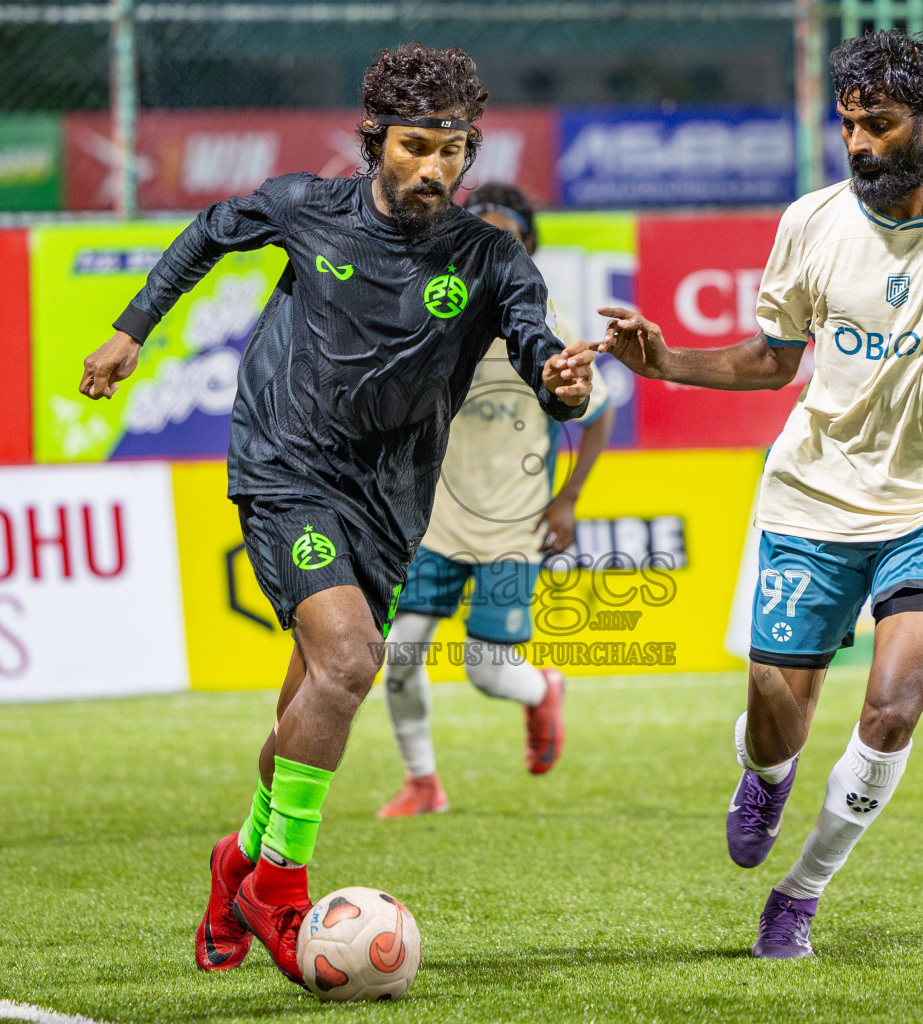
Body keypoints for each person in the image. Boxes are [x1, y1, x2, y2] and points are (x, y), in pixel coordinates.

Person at [78, 43, 594, 986]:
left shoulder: (490, 257)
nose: (434, 168)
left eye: (452, 150)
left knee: (313, 700)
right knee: (352, 661)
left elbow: (539, 352)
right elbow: (207, 233)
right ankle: (279, 886)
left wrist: (563, 386)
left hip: (392, 503)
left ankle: (236, 860)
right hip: (286, 466)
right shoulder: (304, 207)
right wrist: (131, 329)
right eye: (415, 147)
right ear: (373, 141)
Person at [596, 29, 923, 959]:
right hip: (811, 500)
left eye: (881, 124)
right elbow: (772, 359)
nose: (859, 144)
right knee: (775, 724)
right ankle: (764, 773)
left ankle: (801, 894)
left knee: (894, 706)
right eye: (849, 125)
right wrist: (665, 363)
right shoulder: (811, 222)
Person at [378, 182, 615, 818]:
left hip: (513, 528)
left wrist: (566, 500)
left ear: (527, 247)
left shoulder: (546, 325)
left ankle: (542, 690)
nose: (488, 248)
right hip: (433, 523)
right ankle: (422, 782)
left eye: (503, 238)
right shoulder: (430, 311)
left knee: (486, 671)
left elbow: (599, 412)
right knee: (397, 659)